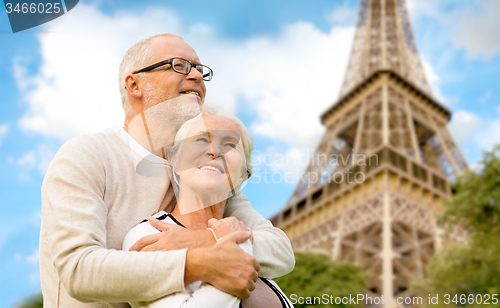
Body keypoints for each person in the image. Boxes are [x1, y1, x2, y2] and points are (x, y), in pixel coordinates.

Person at [39, 33, 294, 307]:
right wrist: (198, 262)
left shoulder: (202, 173)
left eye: (199, 69)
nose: (196, 75)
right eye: (179, 65)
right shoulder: (86, 155)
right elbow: (79, 270)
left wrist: (205, 239)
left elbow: (279, 250)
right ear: (134, 84)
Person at [122, 107, 293, 308]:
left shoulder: (248, 238)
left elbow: (284, 253)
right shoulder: (148, 234)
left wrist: (214, 239)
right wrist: (235, 243)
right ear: (175, 160)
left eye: (230, 145)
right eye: (202, 139)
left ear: (242, 175)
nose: (214, 151)